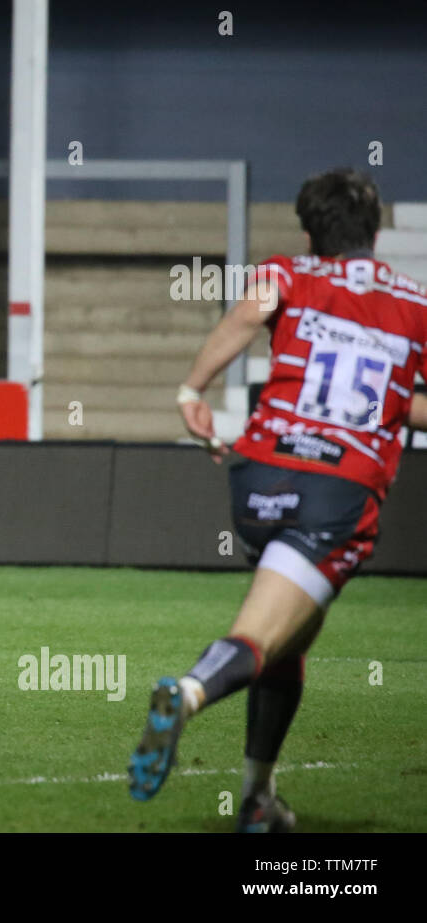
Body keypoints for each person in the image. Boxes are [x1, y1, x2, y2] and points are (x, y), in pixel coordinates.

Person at [128, 168, 427, 830]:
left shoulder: (287, 274)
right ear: (375, 233)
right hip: (335, 492)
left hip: (257, 477)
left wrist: (190, 391)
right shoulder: (413, 302)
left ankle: (258, 799)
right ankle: (187, 693)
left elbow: (248, 312)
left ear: (308, 232)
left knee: (292, 638)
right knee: (262, 636)